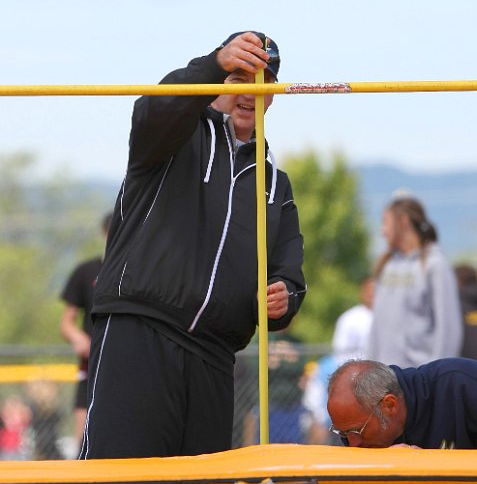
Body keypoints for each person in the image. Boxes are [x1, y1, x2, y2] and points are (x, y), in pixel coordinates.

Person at [81, 31, 306, 459]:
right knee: (117, 482)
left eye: (263, 81)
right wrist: (211, 63)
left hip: (215, 356)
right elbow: (154, 109)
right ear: (219, 80)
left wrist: (284, 297)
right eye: (239, 76)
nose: (249, 92)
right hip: (139, 331)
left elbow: (289, 274)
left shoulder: (275, 182)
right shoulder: (176, 133)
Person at [327, 358, 477, 449]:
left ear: (389, 405)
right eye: (343, 434)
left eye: (357, 431)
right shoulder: (360, 430)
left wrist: (436, 465)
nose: (353, 444)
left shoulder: (462, 383)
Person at [367, 195, 462, 368]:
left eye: (386, 222)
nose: (382, 230)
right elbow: (376, 328)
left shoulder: (434, 264)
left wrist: (436, 377)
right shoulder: (386, 265)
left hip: (418, 379)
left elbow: (448, 329)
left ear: (403, 222)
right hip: (383, 379)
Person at [60, 212, 112, 452]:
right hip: (90, 366)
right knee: (83, 441)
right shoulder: (86, 271)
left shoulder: (137, 272)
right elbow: (66, 323)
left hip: (123, 365)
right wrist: (78, 337)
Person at [332, 274, 375, 362]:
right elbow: (340, 351)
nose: (372, 294)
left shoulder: (390, 317)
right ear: (362, 291)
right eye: (369, 290)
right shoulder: (350, 318)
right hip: (358, 371)